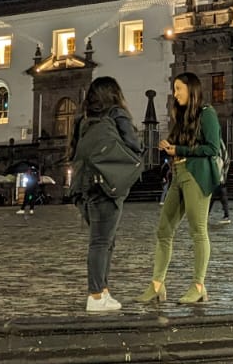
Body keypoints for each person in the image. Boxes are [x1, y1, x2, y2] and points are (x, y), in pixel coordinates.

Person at [138, 72, 220, 305]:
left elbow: (212, 148)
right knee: (164, 229)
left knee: (198, 230)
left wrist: (180, 150)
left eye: (178, 88)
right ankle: (157, 284)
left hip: (197, 175)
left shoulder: (208, 114)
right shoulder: (182, 117)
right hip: (178, 175)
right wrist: (168, 146)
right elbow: (180, 145)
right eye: (175, 89)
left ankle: (198, 285)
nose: (175, 93)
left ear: (191, 90)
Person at [67, 76, 141, 312]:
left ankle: (103, 290)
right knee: (101, 242)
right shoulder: (117, 114)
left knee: (105, 240)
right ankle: (96, 295)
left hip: (84, 187)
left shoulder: (83, 120)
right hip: (106, 185)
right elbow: (133, 145)